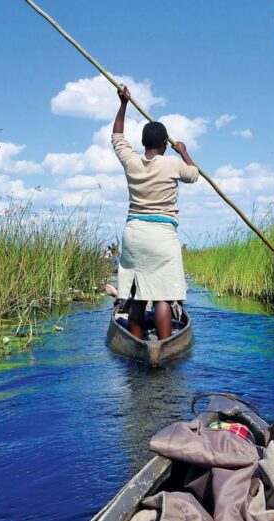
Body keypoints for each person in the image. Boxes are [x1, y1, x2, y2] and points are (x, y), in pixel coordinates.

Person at [111, 85, 199, 340]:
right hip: (162, 235)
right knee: (162, 295)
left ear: (142, 143)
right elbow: (193, 175)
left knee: (138, 295)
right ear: (164, 144)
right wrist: (183, 152)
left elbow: (117, 138)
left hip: (135, 233)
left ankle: (139, 345)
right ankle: (163, 348)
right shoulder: (173, 163)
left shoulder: (132, 161)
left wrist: (123, 104)